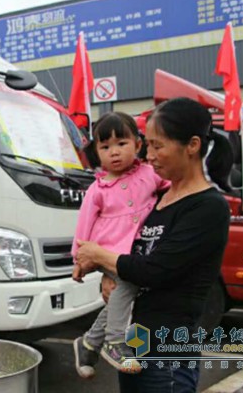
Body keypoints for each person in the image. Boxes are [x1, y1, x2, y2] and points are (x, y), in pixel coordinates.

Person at [75, 97, 231, 393]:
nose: (149, 155)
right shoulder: (157, 198)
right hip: (136, 344)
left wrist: (99, 255)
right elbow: (129, 252)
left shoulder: (207, 207)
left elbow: (155, 270)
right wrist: (109, 275)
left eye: (158, 146)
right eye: (148, 145)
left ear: (192, 145)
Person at [71, 112, 170, 378]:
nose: (114, 152)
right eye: (105, 147)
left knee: (122, 294)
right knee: (126, 285)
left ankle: (89, 342)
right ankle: (114, 341)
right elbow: (83, 226)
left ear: (138, 145)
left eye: (121, 144)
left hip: (136, 253)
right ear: (96, 152)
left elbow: (173, 187)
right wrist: (79, 260)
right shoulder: (98, 189)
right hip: (108, 252)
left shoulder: (149, 174)